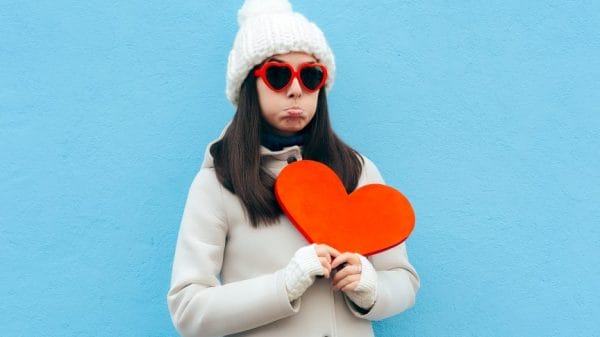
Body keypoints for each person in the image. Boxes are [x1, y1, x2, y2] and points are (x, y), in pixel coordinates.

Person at [167, 1, 420, 336]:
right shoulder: (218, 181)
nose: (296, 89)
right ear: (249, 85)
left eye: (311, 75)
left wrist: (371, 287)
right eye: (278, 75)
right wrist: (284, 284)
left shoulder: (355, 170)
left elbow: (404, 280)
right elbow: (188, 308)